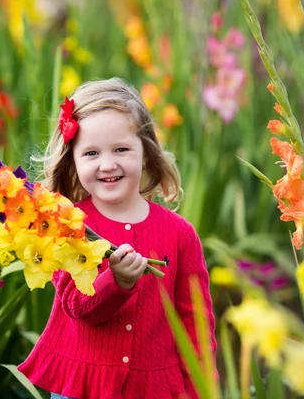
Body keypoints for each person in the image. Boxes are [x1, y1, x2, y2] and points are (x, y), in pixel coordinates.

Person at [18, 77, 217, 399]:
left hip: (153, 388)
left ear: (145, 154)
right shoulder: (66, 224)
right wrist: (117, 282)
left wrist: (200, 391)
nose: (107, 164)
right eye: (91, 153)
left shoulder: (180, 233)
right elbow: (78, 305)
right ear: (73, 160)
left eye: (121, 149)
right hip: (82, 388)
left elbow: (194, 323)